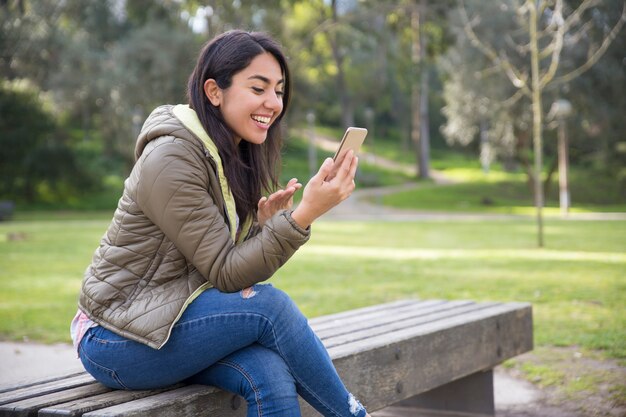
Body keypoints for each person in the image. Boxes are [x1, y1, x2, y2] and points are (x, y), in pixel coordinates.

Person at [71, 30, 370, 417]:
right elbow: (227, 275)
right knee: (271, 308)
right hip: (118, 338)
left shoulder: (225, 154)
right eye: (258, 88)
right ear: (214, 92)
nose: (273, 103)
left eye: (278, 90)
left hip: (171, 320)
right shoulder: (171, 159)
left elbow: (218, 264)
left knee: (271, 373)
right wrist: (304, 215)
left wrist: (264, 227)